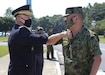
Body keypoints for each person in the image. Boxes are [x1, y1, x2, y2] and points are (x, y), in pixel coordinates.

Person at [47, 6, 102, 75]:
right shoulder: (65, 35)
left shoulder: (89, 36)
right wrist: (61, 35)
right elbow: (48, 41)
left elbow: (97, 59)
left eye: (67, 18)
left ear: (75, 18)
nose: (65, 21)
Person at [8, 5, 48, 75]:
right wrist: (44, 35)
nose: (29, 18)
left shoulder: (16, 29)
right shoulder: (21, 31)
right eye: (26, 15)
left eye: (29, 16)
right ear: (18, 17)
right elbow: (42, 39)